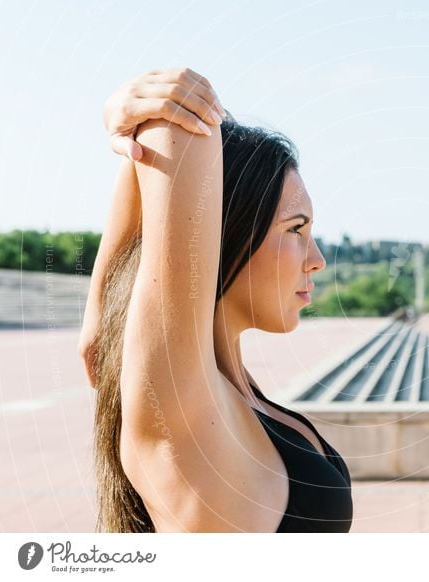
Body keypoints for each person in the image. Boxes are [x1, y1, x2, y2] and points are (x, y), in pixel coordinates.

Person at [78, 67, 353, 533]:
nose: (318, 259)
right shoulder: (187, 404)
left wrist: (135, 149)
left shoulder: (231, 396)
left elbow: (98, 339)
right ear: (226, 233)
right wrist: (130, 110)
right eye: (296, 229)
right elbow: (178, 129)